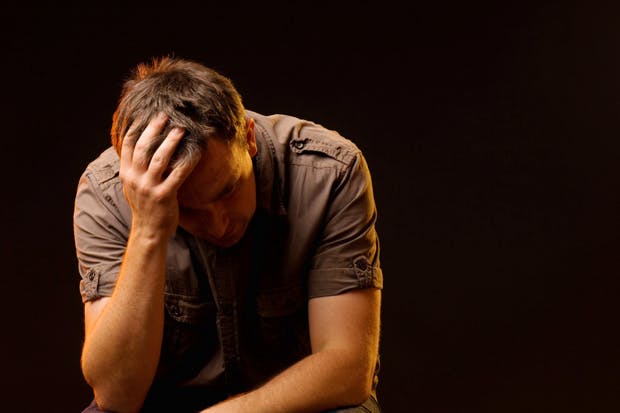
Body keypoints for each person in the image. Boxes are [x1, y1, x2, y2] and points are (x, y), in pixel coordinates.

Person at [73, 56, 383, 413]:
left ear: (248, 138)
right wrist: (147, 230)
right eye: (188, 210)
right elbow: (116, 396)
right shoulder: (107, 193)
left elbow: (347, 368)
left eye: (228, 190)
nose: (220, 224)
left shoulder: (328, 173)